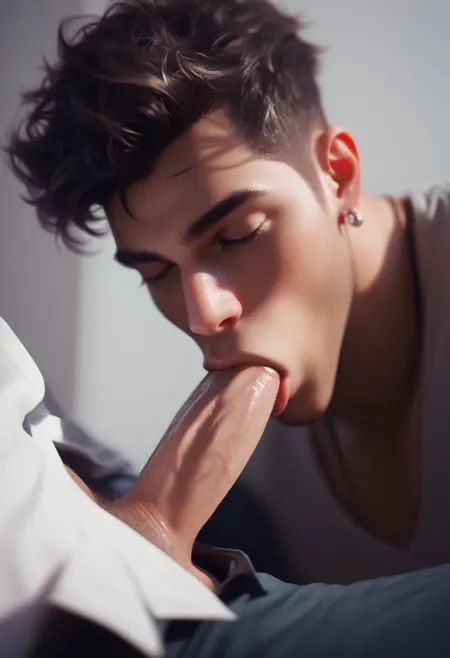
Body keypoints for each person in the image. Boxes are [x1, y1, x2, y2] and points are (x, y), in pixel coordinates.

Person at [4, 0, 450, 653]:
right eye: (157, 271)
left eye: (238, 234)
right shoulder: (246, 485)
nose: (203, 313)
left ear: (339, 175)